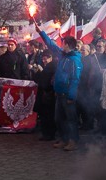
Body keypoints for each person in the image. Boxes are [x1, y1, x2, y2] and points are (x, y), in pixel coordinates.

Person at [35, 21, 83, 152]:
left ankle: (73, 141)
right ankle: (64, 139)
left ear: (68, 45)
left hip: (68, 95)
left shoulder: (74, 60)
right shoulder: (63, 55)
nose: (61, 46)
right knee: (59, 119)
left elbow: (75, 79)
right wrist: (41, 32)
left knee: (71, 119)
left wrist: (71, 96)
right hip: (59, 94)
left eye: (63, 44)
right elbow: (51, 45)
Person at [33, 50, 57, 141]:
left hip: (49, 94)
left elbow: (48, 81)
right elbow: (37, 80)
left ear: (51, 58)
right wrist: (37, 72)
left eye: (46, 58)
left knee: (49, 115)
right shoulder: (44, 67)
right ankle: (45, 133)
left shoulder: (53, 67)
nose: (44, 60)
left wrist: (42, 73)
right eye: (43, 59)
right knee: (44, 115)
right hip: (43, 94)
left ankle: (50, 134)